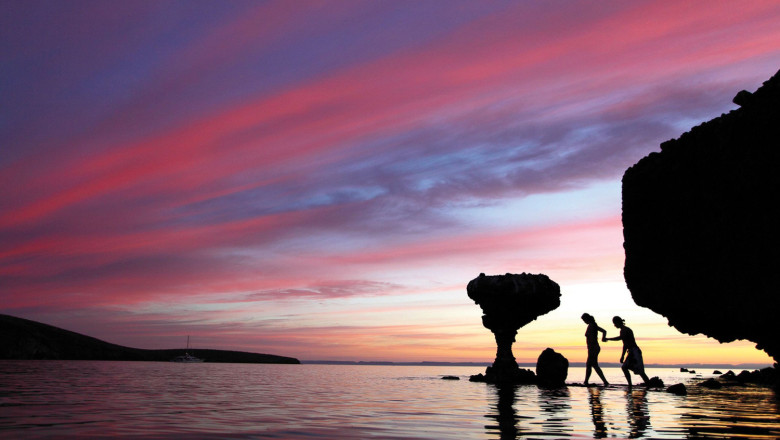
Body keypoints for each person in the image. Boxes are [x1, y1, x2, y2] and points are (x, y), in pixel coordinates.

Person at [603, 316, 651, 386]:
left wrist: (608, 339)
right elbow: (625, 344)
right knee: (626, 368)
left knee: (639, 371)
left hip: (635, 352)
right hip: (632, 351)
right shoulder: (622, 330)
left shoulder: (625, 330)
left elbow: (621, 339)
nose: (614, 325)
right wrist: (623, 355)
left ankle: (641, 384)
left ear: (618, 322)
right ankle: (631, 384)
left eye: (615, 323)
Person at [581, 313, 609, 386]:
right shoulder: (592, 325)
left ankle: (604, 382)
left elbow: (604, 331)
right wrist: (603, 338)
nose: (584, 322)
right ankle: (586, 381)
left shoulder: (592, 325)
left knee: (593, 365)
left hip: (593, 347)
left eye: (584, 320)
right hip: (592, 347)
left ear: (587, 319)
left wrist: (603, 338)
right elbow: (604, 331)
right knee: (590, 365)